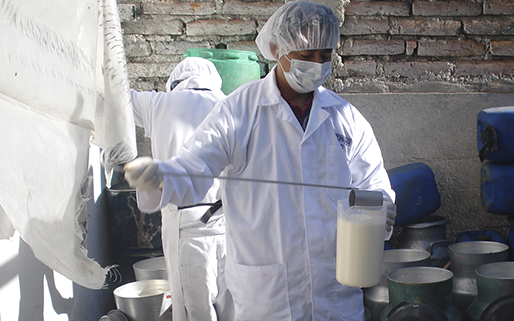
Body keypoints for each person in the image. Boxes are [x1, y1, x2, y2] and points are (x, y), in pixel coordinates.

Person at [123, 1, 396, 320]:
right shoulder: (239, 112)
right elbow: (195, 169)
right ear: (277, 48)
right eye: (306, 56)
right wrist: (159, 177)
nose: (317, 65)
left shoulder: (345, 119)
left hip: (335, 296)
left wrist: (382, 208)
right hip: (269, 299)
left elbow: (375, 186)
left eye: (324, 56)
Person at [129, 56, 233, 321]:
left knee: (195, 311)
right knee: (233, 310)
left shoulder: (158, 103)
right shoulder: (230, 105)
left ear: (174, 83)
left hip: (185, 228)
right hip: (229, 227)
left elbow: (118, 100)